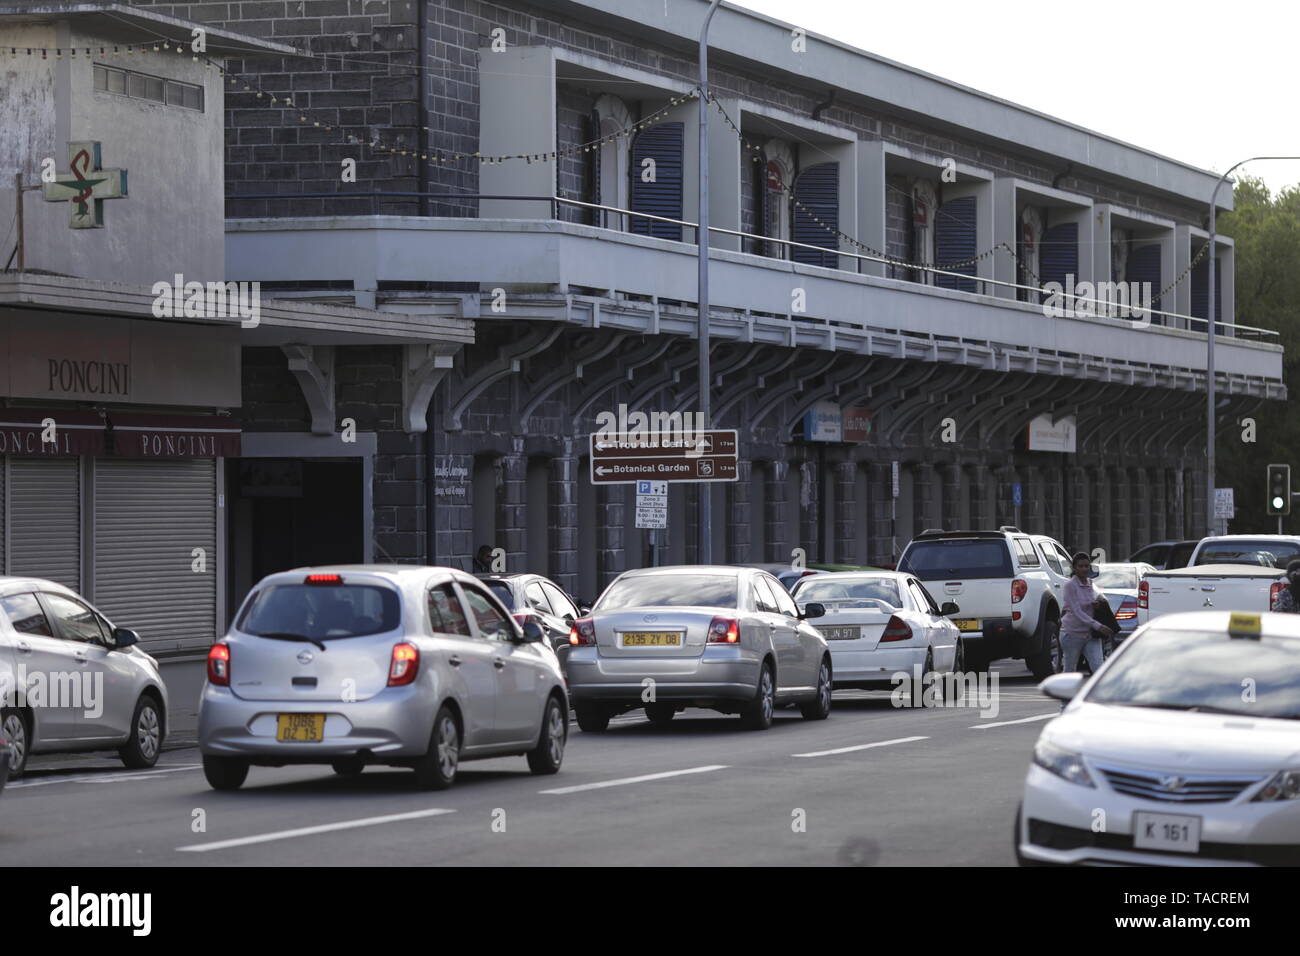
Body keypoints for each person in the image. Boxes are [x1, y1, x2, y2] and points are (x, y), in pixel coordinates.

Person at [1059, 551, 1114, 673]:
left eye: (1086, 566)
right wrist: (1099, 626)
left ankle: (1099, 692)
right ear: (1074, 567)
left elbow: (1092, 602)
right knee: (1070, 669)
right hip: (1072, 634)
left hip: (1090, 634)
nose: (1084, 569)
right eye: (1080, 566)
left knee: (1099, 668)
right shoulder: (1070, 585)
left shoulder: (1090, 583)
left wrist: (1097, 605)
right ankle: (1065, 691)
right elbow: (1077, 611)